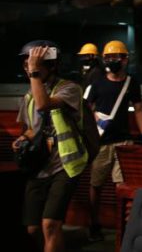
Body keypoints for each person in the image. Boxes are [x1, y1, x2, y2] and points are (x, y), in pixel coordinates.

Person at [15, 41, 88, 252]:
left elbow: (44, 104)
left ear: (53, 66)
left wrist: (34, 74)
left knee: (50, 224)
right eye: (26, 64)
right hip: (39, 167)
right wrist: (23, 139)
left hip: (64, 166)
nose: (29, 68)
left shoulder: (70, 88)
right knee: (32, 229)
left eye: (35, 64)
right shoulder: (28, 96)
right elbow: (31, 128)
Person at [87, 40, 142, 241]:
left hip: (124, 141)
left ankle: (123, 225)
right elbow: (87, 108)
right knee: (96, 184)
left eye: (117, 57)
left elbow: (138, 109)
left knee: (121, 186)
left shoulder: (132, 82)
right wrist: (94, 119)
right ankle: (94, 223)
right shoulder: (97, 83)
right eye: (109, 58)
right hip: (101, 142)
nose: (113, 61)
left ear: (125, 59)